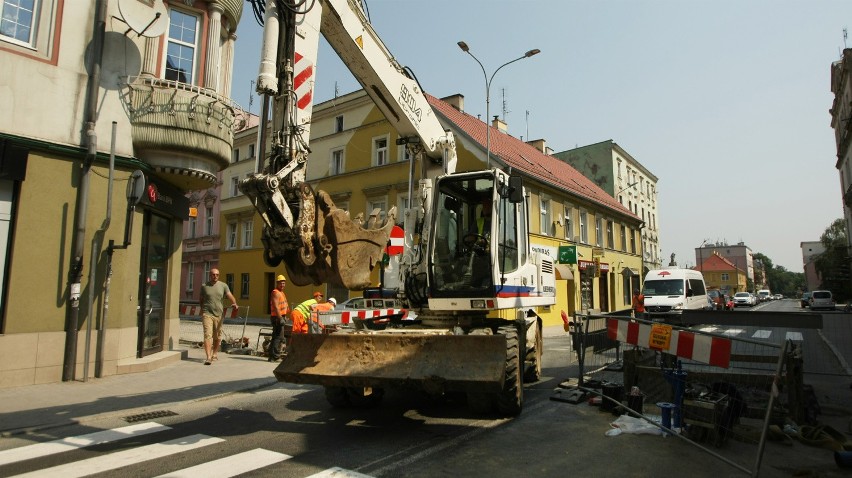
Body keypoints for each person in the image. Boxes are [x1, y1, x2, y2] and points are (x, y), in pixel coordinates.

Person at [199, 268, 237, 365]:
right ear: (210, 275)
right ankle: (208, 357)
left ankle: (214, 353)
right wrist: (202, 310)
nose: (215, 276)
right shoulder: (204, 286)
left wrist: (234, 303)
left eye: (217, 275)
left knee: (217, 336)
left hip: (219, 315)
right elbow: (201, 299)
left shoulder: (223, 285)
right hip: (207, 313)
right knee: (207, 335)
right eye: (213, 275)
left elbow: (229, 295)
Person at [268, 274, 290, 362]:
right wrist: (280, 318)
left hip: (280, 316)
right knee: (278, 337)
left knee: (276, 336)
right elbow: (276, 306)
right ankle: (274, 356)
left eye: (284, 283)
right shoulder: (275, 292)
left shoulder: (281, 292)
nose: (283, 285)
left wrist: (285, 317)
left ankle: (272, 356)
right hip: (277, 317)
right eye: (281, 283)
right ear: (277, 283)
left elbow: (284, 305)